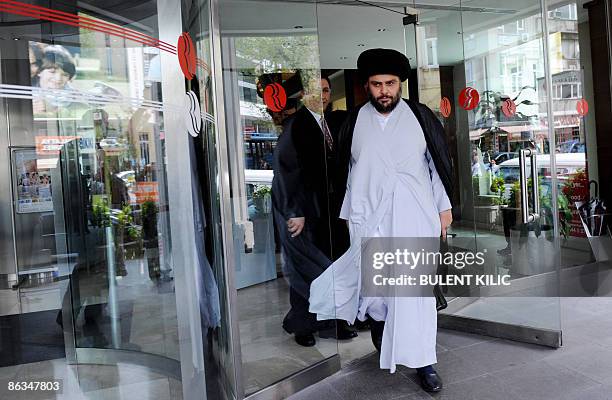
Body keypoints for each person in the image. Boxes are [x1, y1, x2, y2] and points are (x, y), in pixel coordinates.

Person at [309, 48, 454, 393]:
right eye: (377, 84)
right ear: (366, 86)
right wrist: (349, 216)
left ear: (400, 83)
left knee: (416, 293)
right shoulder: (353, 121)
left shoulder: (420, 117)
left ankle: (424, 362)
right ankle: (379, 322)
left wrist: (444, 209)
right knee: (377, 285)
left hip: (414, 216)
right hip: (369, 218)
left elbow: (436, 165)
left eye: (390, 83)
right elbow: (346, 172)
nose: (384, 91)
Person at [272, 74, 356, 347]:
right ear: (304, 96)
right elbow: (286, 171)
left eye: (326, 90)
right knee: (308, 271)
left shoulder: (332, 123)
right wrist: (294, 210)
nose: (322, 95)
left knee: (336, 268)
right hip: (307, 212)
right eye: (316, 91)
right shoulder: (295, 126)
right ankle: (302, 325)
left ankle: (335, 323)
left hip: (333, 211)